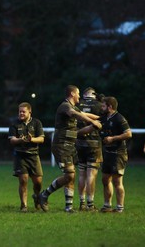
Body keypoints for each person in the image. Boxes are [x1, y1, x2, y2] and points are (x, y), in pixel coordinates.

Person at [38, 85, 102, 213]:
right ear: (72, 94)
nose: (79, 96)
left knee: (70, 176)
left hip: (70, 146)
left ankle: (69, 207)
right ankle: (44, 195)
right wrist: (93, 122)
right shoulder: (65, 106)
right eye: (78, 94)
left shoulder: (74, 107)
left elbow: (83, 113)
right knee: (69, 174)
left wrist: (101, 118)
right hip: (61, 146)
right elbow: (75, 114)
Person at [9, 102, 45, 212]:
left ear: (30, 112)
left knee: (38, 182)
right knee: (23, 181)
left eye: (23, 112)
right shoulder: (14, 124)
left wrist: (32, 139)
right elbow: (11, 140)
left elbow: (42, 139)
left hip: (34, 155)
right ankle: (23, 205)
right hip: (20, 156)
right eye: (20, 112)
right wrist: (20, 140)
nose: (21, 114)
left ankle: (36, 196)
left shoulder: (37, 123)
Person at [100, 96, 132, 213]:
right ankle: (107, 205)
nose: (101, 108)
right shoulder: (104, 118)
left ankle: (119, 207)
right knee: (105, 179)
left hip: (118, 153)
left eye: (103, 106)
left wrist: (113, 138)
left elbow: (128, 134)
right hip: (107, 153)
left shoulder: (119, 118)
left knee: (117, 181)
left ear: (110, 107)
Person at [76, 87, 103, 211]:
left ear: (84, 94)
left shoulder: (77, 105)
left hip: (79, 143)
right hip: (94, 143)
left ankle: (81, 203)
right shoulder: (99, 105)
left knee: (81, 174)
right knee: (91, 174)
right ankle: (90, 204)